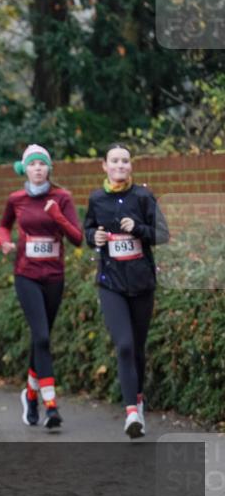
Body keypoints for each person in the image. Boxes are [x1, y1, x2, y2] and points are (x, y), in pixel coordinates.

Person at [84, 144, 167, 439]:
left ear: (131, 166)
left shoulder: (143, 196)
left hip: (142, 283)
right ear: (104, 166)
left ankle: (138, 401)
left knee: (138, 349)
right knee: (125, 345)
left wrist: (139, 229)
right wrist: (95, 236)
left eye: (125, 161)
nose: (120, 165)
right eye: (114, 161)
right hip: (111, 284)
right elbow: (87, 232)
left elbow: (162, 234)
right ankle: (131, 412)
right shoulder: (96, 199)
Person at [0, 144, 82, 429]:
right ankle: (50, 404)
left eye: (42, 164)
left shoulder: (63, 197)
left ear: (49, 169)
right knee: (42, 336)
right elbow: (3, 226)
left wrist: (57, 215)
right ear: (25, 169)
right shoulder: (16, 199)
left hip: (54, 276)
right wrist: (4, 242)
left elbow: (78, 238)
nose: (38, 169)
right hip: (26, 275)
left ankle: (30, 395)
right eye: (32, 164)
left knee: (40, 338)